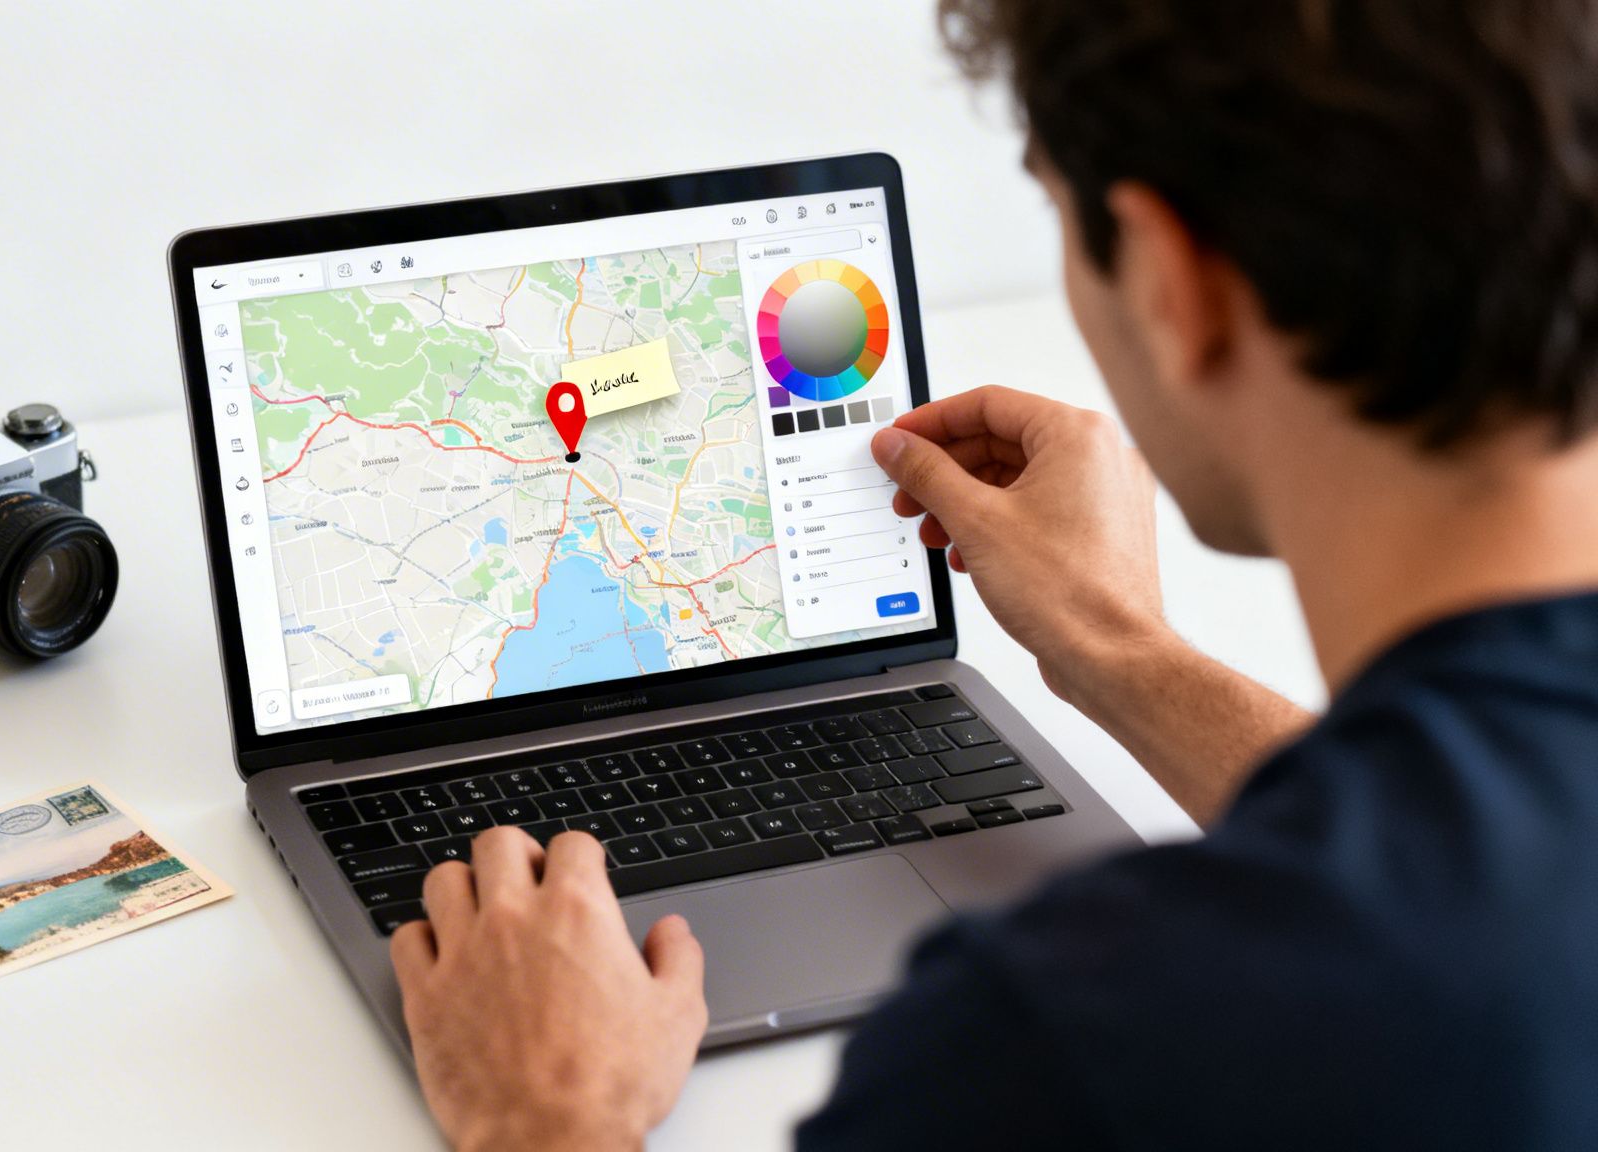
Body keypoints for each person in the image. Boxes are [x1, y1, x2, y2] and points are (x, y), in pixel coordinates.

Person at [388, 1, 1598, 1147]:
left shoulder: (1054, 1045)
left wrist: (547, 1118)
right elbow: (1465, 850)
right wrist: (1120, 648)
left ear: (1177, 288)